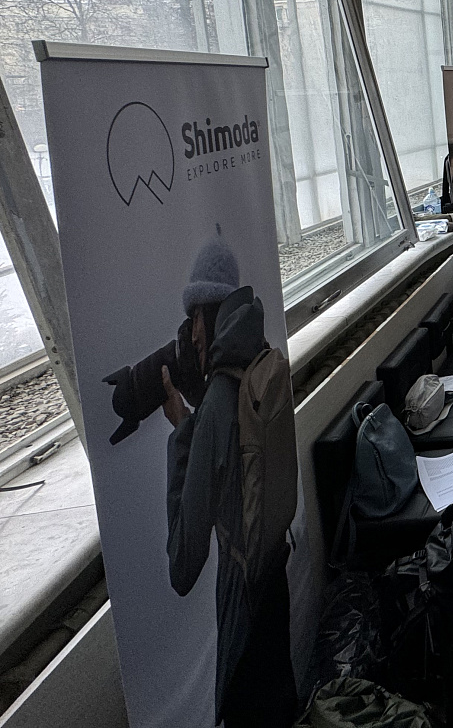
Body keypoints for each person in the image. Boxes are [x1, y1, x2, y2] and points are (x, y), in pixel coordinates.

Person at [162, 240, 298, 728]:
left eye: (194, 317)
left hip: (242, 617)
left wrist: (182, 437)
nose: (191, 334)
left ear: (207, 316)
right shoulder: (259, 361)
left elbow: (183, 566)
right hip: (273, 590)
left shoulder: (219, 402)